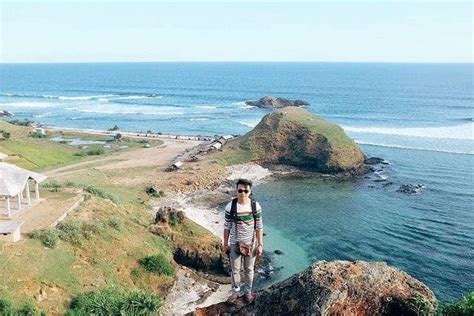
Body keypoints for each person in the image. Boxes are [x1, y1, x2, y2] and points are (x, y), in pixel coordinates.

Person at [223, 178, 263, 304]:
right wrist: (225, 243)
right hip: (235, 243)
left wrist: (260, 244)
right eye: (240, 190)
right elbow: (227, 226)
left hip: (251, 243)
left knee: (249, 270)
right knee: (235, 270)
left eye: (246, 191)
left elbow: (259, 226)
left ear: (250, 191)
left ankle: (248, 292)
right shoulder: (231, 206)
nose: (243, 193)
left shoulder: (255, 206)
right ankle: (235, 292)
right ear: (236, 190)